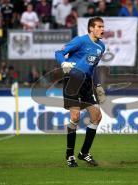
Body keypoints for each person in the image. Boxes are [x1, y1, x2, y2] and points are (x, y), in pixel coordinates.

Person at [55, 17, 106, 167]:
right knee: (75, 117)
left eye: (103, 27)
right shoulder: (80, 41)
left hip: (86, 84)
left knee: (97, 116)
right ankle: (70, 155)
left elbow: (93, 67)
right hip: (72, 80)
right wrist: (63, 62)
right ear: (91, 28)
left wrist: (97, 85)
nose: (102, 29)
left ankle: (84, 152)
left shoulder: (101, 47)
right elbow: (59, 52)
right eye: (99, 27)